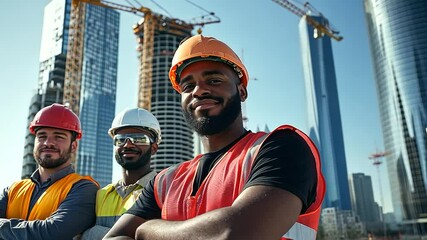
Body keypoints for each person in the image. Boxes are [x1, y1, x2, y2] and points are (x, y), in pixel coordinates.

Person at [104, 35, 326, 240]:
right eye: (188, 86)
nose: (198, 91)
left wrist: (146, 230)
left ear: (242, 92)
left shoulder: (282, 147)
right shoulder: (164, 181)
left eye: (214, 80)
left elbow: (234, 232)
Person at [0, 103, 99, 240]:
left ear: (74, 146)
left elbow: (53, 233)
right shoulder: (12, 190)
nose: (48, 143)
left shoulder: (84, 188)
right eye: (42, 136)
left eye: (59, 137)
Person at [81, 108, 161, 239]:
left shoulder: (163, 192)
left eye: (139, 139)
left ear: (153, 148)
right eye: (120, 139)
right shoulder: (101, 195)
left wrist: (94, 232)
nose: (128, 145)